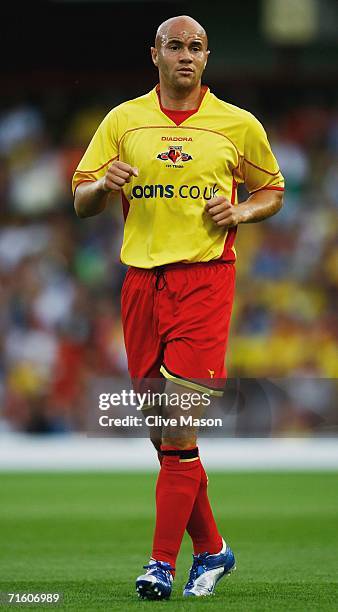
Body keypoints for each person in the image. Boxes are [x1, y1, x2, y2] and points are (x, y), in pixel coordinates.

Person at [72, 15, 284, 600]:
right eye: (175, 47)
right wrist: (103, 187)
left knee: (178, 427)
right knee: (161, 434)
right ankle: (214, 550)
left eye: (196, 47)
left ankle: (161, 564)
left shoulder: (237, 125)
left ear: (207, 58)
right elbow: (81, 198)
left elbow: (273, 190)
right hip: (141, 284)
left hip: (204, 282)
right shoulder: (122, 120)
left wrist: (241, 213)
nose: (186, 56)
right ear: (155, 55)